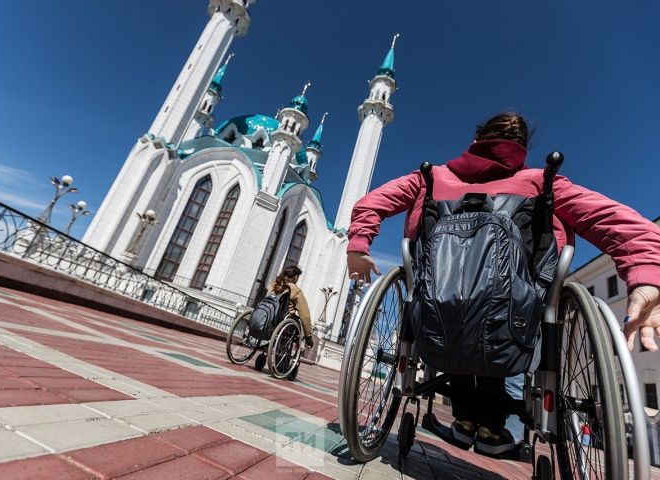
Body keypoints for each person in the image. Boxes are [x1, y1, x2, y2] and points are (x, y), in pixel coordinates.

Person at [346, 112, 660, 456]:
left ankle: (465, 420)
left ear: (477, 139)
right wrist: (647, 271)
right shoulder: (543, 181)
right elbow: (613, 220)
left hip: (435, 317)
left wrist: (359, 245)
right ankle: (493, 428)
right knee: (510, 310)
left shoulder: (431, 178)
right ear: (522, 147)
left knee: (459, 310)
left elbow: (370, 203)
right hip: (514, 324)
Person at [268, 265, 314, 349]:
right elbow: (305, 315)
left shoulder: (273, 285)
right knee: (297, 321)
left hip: (268, 318)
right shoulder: (295, 290)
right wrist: (308, 337)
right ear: (295, 276)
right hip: (283, 321)